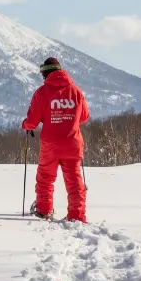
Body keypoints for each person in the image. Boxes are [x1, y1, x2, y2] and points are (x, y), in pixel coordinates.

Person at [22, 57, 90, 223]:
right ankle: (76, 215)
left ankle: (44, 210)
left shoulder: (42, 92)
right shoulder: (76, 91)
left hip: (50, 144)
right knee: (74, 180)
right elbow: (84, 117)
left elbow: (32, 120)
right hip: (72, 143)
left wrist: (26, 125)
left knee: (45, 177)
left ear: (45, 73)